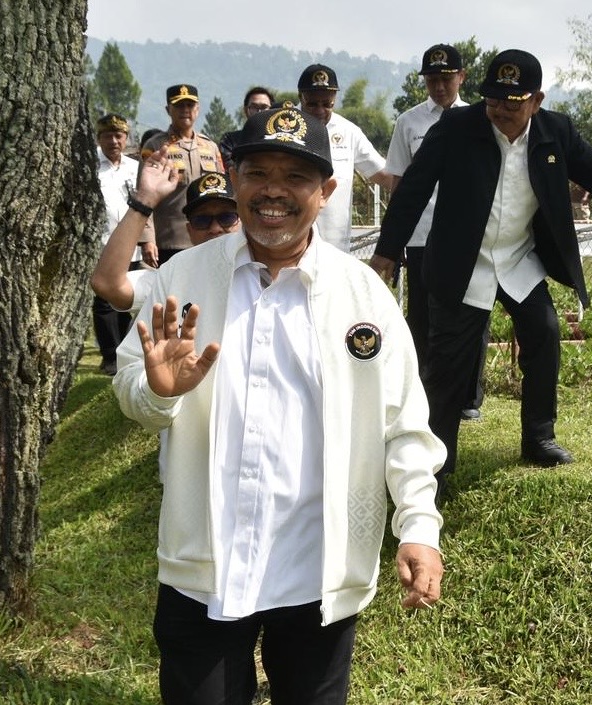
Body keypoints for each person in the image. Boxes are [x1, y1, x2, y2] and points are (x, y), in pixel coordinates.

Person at [113, 106, 445, 705]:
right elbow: (133, 389)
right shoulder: (183, 277)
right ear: (234, 179)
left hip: (317, 572)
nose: (273, 191)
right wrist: (159, 393)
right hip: (204, 570)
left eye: (295, 177)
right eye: (258, 172)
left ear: (327, 191)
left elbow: (404, 426)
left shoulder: (362, 295)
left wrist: (418, 526)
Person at [372, 49, 592, 489]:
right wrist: (387, 250)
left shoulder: (555, 132)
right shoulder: (455, 127)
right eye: (493, 100)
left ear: (536, 101)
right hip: (463, 261)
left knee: (545, 334)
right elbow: (413, 188)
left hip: (518, 258)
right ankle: (438, 461)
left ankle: (539, 437)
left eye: (513, 103)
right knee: (448, 365)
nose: (500, 111)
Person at [385, 43, 487, 420]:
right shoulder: (408, 122)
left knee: (473, 313)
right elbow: (398, 183)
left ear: (461, 77)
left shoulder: (482, 119)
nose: (439, 87)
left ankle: (469, 398)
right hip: (421, 235)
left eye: (446, 79)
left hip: (469, 236)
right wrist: (394, 237)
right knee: (422, 317)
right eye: (432, 80)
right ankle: (423, 393)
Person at [91, 150, 240, 314]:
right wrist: (144, 200)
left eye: (227, 218)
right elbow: (107, 284)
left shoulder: (259, 272)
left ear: (242, 222)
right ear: (190, 230)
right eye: (202, 220)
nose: (215, 228)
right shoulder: (173, 278)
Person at [296, 63, 392, 252]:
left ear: (335, 99)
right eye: (312, 104)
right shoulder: (283, 128)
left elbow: (384, 175)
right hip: (288, 246)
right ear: (301, 97)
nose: (320, 111)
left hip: (335, 248)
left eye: (327, 104)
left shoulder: (349, 132)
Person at [93, 112, 155, 375]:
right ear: (99, 138)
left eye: (118, 136)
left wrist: (148, 240)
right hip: (102, 241)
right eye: (108, 136)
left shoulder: (134, 167)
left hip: (132, 243)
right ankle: (109, 355)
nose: (114, 142)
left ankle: (124, 351)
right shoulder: (91, 166)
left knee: (127, 296)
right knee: (104, 301)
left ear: (126, 138)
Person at [140, 84, 225, 264]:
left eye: (190, 105)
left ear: (198, 109)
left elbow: (222, 192)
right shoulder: (155, 146)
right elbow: (144, 195)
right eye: (179, 105)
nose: (185, 110)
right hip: (170, 240)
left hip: (208, 236)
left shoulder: (210, 147)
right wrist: (148, 239)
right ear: (168, 110)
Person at [218, 86, 275, 169]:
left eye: (264, 107)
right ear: (245, 110)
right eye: (254, 107)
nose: (259, 112)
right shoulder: (230, 140)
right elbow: (229, 167)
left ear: (273, 111)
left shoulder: (278, 142)